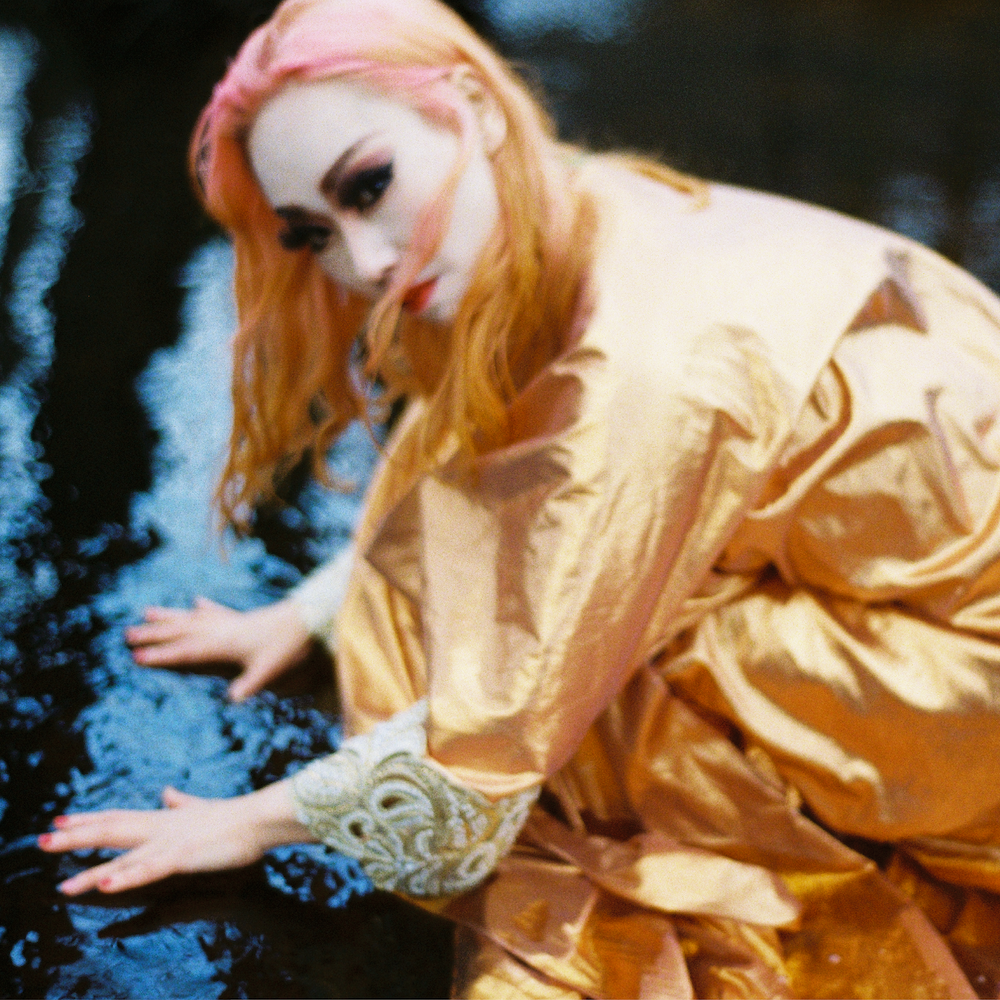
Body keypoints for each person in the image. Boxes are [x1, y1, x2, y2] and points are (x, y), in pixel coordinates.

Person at [39, 0, 1000, 995]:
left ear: (476, 106)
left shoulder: (649, 369)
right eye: (312, 232)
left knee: (623, 672)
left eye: (370, 186)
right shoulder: (579, 198)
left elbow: (487, 755)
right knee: (545, 557)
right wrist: (312, 612)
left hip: (968, 684)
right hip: (898, 591)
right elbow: (482, 454)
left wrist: (245, 820)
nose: (365, 263)